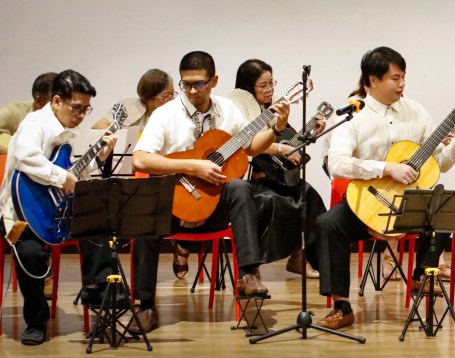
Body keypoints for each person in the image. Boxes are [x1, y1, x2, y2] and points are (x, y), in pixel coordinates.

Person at [315, 46, 455, 329]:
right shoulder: (353, 115)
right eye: (395, 78)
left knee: (444, 212)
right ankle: (341, 305)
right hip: (368, 200)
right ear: (373, 80)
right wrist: (386, 168)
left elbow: (440, 163)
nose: (402, 84)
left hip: (408, 204)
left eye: (403, 77)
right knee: (328, 224)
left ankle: (421, 276)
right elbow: (337, 164)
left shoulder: (416, 112)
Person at [131, 51, 290, 334]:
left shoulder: (227, 110)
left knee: (241, 186)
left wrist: (276, 129)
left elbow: (251, 147)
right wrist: (193, 165)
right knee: (144, 215)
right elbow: (141, 159)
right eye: (186, 84)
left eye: (199, 84)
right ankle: (145, 306)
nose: (192, 90)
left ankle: (248, 275)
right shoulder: (165, 114)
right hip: (175, 202)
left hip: (214, 205)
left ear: (214, 81)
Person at [0, 70, 118, 345]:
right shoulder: (34, 124)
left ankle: (96, 293)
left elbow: (74, 173)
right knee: (28, 252)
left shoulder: (70, 132)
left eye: (86, 110)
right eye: (76, 108)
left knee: (96, 222)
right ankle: (36, 321)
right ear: (56, 101)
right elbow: (26, 158)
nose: (81, 115)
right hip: (18, 212)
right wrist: (62, 177)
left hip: (58, 207)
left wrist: (99, 157)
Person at [218, 58, 324, 280]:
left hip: (272, 178)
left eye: (271, 84)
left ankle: (304, 258)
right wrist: (278, 148)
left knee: (308, 194)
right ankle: (252, 268)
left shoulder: (271, 109)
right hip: (247, 183)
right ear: (248, 86)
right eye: (263, 85)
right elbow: (246, 142)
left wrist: (312, 133)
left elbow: (290, 143)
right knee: (281, 200)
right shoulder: (235, 107)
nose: (269, 90)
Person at [0, 72, 58, 154]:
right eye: (55, 102)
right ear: (38, 101)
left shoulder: (67, 119)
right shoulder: (14, 111)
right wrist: (10, 154)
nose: (59, 106)